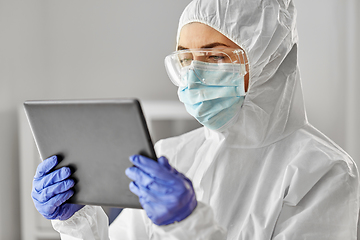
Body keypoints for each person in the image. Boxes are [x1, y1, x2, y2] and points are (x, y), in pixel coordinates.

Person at [31, 0, 360, 239]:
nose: (195, 74)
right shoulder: (170, 156)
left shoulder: (324, 171)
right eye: (186, 58)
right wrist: (79, 223)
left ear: (269, 59)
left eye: (216, 56)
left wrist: (189, 224)